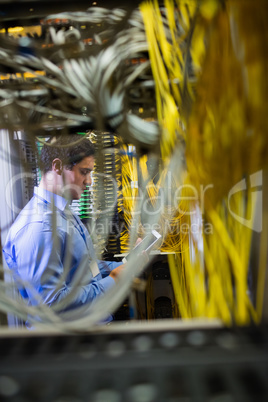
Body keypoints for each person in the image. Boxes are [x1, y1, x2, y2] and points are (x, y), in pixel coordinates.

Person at [3, 134, 125, 325]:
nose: (89, 181)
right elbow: (53, 303)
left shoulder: (62, 211)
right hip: (68, 346)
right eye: (84, 172)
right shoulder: (39, 227)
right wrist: (114, 279)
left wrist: (129, 264)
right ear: (58, 166)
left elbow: (84, 268)